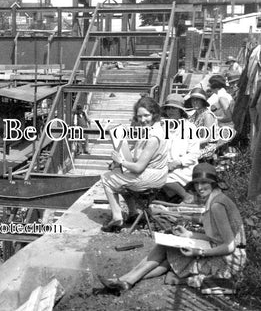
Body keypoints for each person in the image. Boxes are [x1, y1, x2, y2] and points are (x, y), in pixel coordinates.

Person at [98, 163, 246, 292]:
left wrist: (200, 251)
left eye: (204, 183)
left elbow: (229, 246)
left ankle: (124, 281)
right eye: (196, 183)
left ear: (214, 183)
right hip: (219, 250)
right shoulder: (214, 199)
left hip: (229, 260)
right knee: (168, 250)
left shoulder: (217, 206)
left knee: (169, 255)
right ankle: (124, 282)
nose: (199, 188)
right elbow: (217, 236)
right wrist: (189, 235)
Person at [101, 96, 168, 232]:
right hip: (156, 174)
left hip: (152, 177)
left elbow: (138, 168)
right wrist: (119, 161)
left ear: (154, 114)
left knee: (106, 178)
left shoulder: (153, 137)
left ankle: (117, 216)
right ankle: (133, 213)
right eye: (139, 117)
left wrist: (121, 161)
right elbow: (139, 158)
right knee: (121, 175)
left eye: (146, 115)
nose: (143, 120)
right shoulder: (153, 130)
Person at [160, 94, 200, 203]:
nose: (170, 111)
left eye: (174, 108)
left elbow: (194, 153)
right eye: (168, 108)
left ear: (180, 111)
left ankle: (186, 195)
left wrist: (177, 163)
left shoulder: (190, 128)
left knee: (161, 177)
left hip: (184, 167)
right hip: (165, 165)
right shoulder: (162, 127)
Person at [185, 88, 218, 161]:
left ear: (203, 102)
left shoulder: (207, 115)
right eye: (193, 100)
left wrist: (189, 145)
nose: (195, 102)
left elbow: (206, 138)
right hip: (195, 145)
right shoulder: (193, 115)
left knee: (186, 157)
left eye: (197, 100)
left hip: (207, 147)